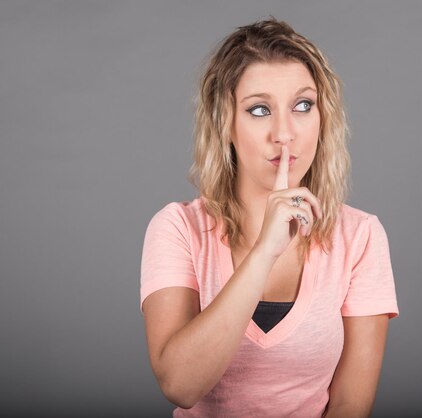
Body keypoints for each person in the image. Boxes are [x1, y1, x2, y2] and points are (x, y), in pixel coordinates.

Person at [140, 17, 399, 418]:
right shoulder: (177, 228)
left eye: (302, 105)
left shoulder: (360, 236)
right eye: (259, 109)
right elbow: (179, 384)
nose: (284, 133)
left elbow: (351, 402)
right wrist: (264, 252)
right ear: (225, 123)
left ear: (322, 118)